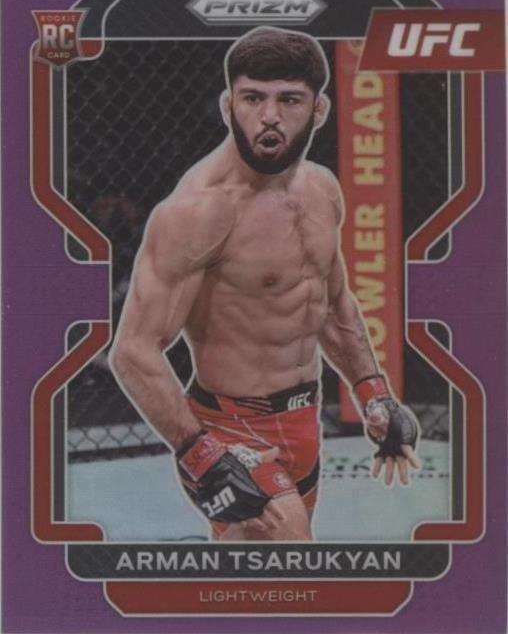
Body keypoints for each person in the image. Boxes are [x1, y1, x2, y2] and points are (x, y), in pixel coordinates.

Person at [109, 27, 420, 542]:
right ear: (228, 105)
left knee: (259, 580)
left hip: (303, 421)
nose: (269, 115)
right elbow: (133, 351)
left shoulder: (322, 190)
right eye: (253, 98)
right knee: (290, 560)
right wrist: (203, 454)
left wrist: (374, 395)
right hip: (229, 429)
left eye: (289, 100)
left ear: (319, 110)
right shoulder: (197, 212)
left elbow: (332, 306)